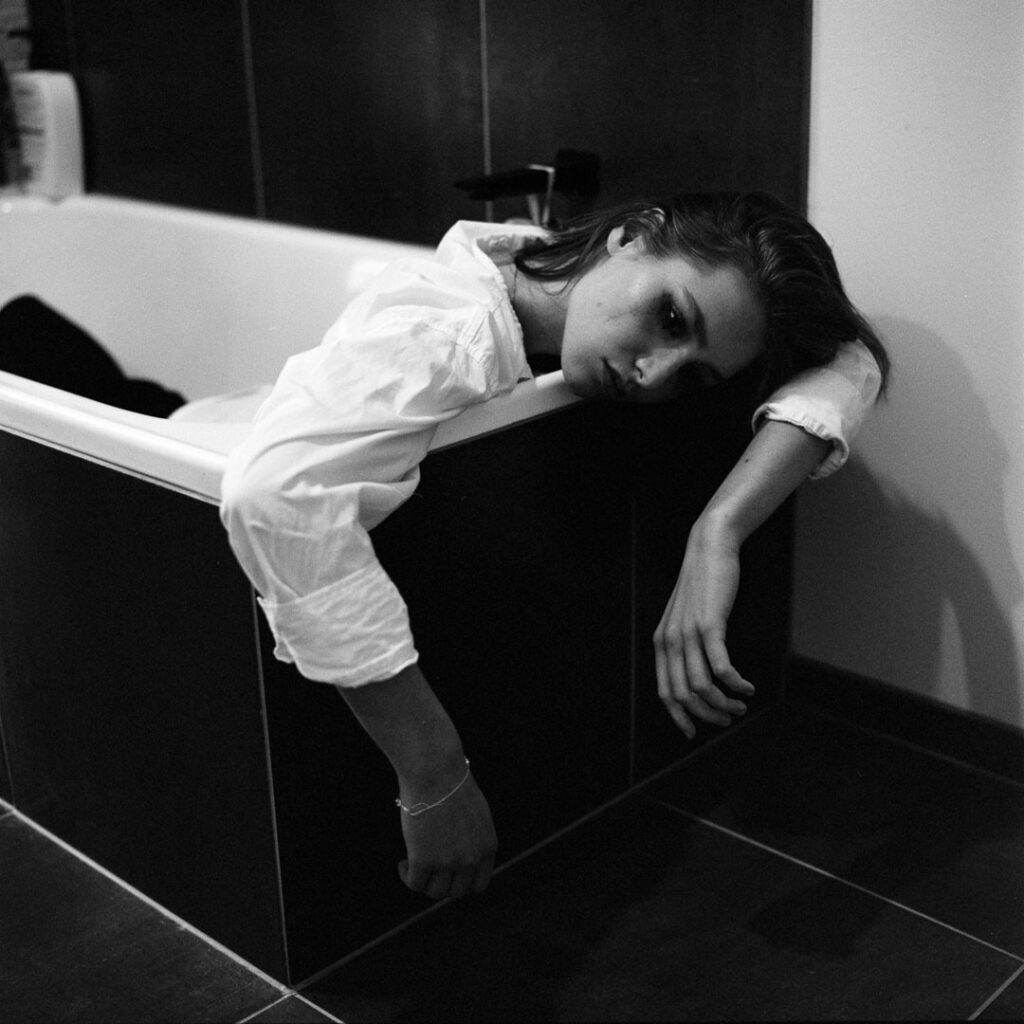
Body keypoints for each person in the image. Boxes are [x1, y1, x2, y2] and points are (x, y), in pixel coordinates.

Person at [220, 191, 889, 903]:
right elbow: (273, 497)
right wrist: (434, 773)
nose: (654, 375)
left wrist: (719, 528)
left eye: (693, 374)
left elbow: (853, 363)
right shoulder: (448, 337)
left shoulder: (550, 274)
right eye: (669, 318)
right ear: (632, 237)